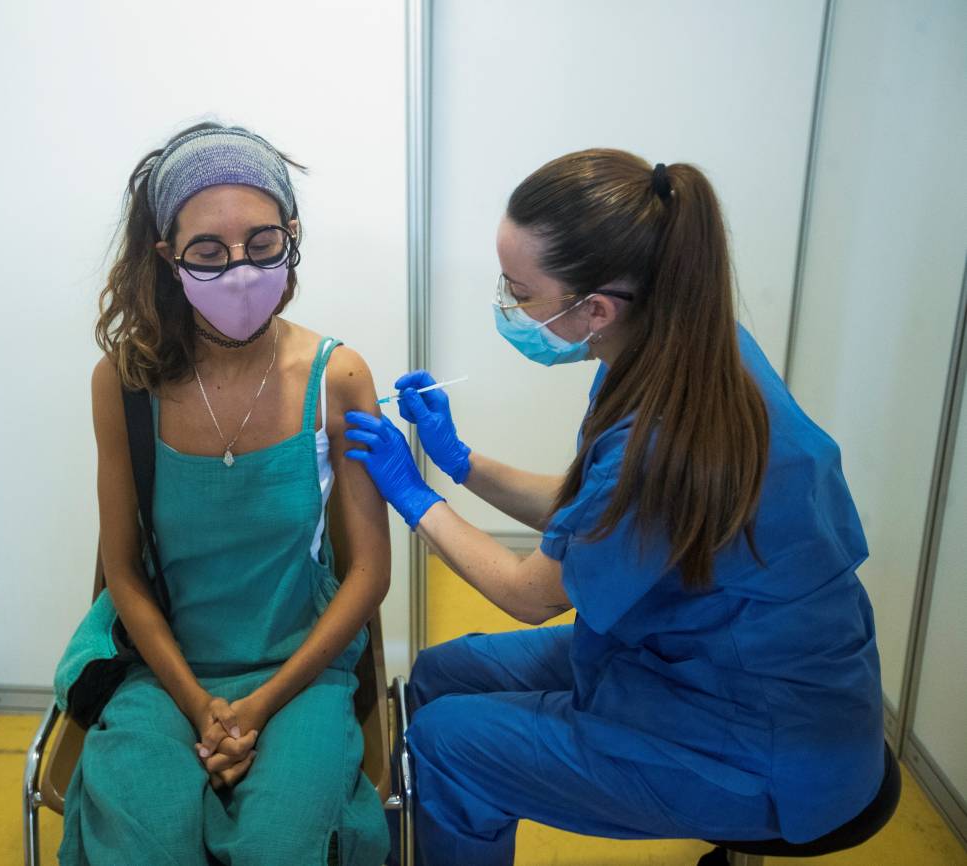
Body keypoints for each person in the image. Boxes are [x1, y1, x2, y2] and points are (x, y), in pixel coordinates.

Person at [344, 149, 884, 865]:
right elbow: (591, 513)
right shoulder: (671, 349)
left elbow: (530, 594)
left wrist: (413, 497)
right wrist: (458, 461)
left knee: (446, 744)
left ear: (593, 309)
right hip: (684, 658)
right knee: (443, 674)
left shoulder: (672, 431)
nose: (506, 307)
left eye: (518, 291)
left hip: (762, 740)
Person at [60, 123, 391, 866]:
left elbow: (370, 571)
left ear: (292, 237)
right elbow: (122, 570)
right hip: (163, 666)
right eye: (207, 250)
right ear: (166, 255)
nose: (239, 269)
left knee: (279, 846)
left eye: (262, 243)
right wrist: (199, 705)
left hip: (298, 665)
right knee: (147, 847)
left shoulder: (337, 378)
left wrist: (259, 705)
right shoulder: (124, 382)